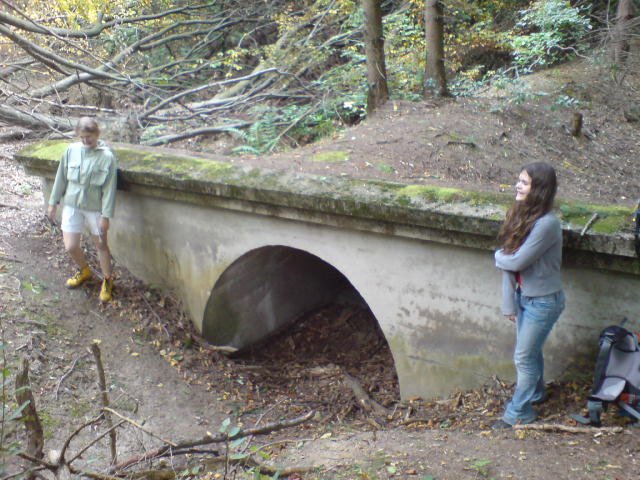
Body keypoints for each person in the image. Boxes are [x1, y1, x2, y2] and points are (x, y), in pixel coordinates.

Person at [492, 161, 565, 429]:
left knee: (523, 357)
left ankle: (519, 413)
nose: (517, 186)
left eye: (524, 182)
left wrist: (498, 256)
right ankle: (536, 394)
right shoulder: (521, 216)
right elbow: (510, 265)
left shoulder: (547, 224)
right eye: (519, 180)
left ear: (539, 189)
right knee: (530, 352)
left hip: (544, 302)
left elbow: (516, 261)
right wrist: (509, 304)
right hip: (525, 298)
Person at [47, 117, 117, 303]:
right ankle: (84, 270)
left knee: (101, 244)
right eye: (82, 137)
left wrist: (106, 216)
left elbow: (109, 189)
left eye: (89, 137)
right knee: (70, 246)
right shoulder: (71, 151)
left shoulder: (107, 157)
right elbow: (61, 177)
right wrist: (53, 202)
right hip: (72, 204)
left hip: (95, 208)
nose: (86, 140)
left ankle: (107, 280)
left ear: (97, 134)